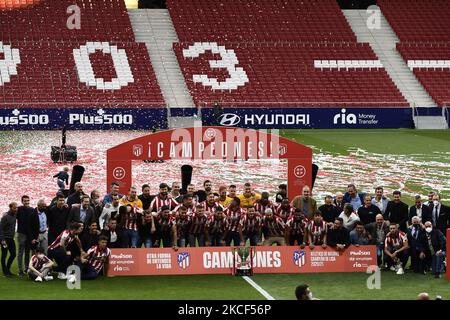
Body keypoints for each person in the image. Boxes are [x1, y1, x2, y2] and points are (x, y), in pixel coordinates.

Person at [16, 195, 34, 276]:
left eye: (27, 200)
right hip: (21, 234)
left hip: (29, 234)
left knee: (27, 252)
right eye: (25, 201)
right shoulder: (18, 209)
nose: (26, 202)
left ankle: (26, 268)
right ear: (22, 201)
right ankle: (20, 270)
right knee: (20, 252)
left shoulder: (32, 210)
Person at [0, 202, 18, 277]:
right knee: (4, 255)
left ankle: (7, 269)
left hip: (11, 239)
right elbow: (0, 228)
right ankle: (5, 271)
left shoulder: (15, 214)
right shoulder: (5, 217)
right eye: (14, 208)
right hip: (5, 239)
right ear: (10, 207)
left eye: (16, 208)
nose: (16, 209)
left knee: (13, 254)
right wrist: (2, 239)